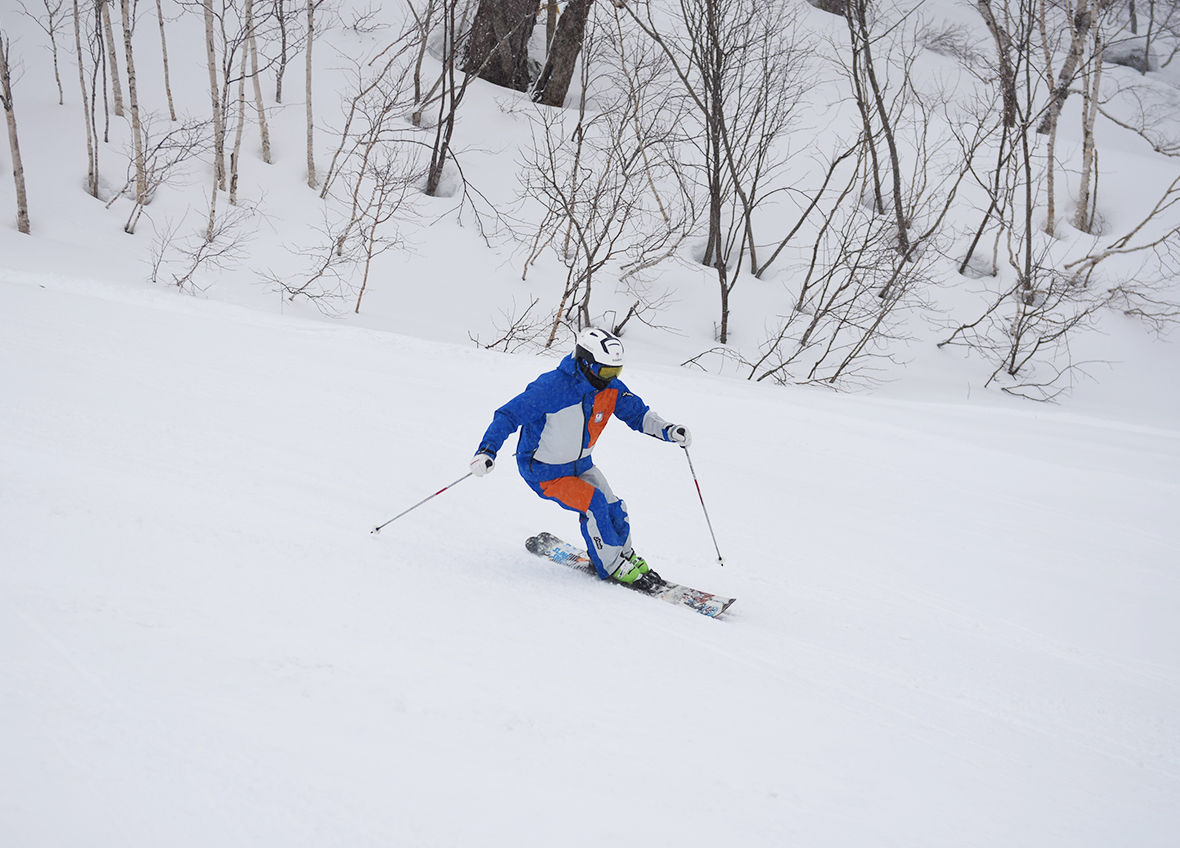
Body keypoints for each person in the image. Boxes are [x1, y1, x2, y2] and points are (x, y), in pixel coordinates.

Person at [470, 328, 691, 590]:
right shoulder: (551, 388)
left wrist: (669, 430)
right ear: (586, 363)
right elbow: (508, 415)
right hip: (544, 471)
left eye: (616, 372)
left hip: (581, 464)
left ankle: (625, 555)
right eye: (606, 372)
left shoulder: (611, 389)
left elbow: (638, 415)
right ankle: (610, 566)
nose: (610, 379)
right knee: (595, 504)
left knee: (615, 506)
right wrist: (487, 450)